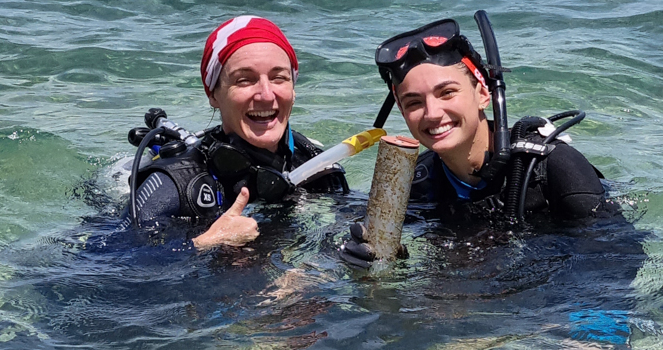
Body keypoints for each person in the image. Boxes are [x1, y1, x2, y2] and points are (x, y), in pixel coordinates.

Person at [342, 17, 613, 267]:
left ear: (483, 93)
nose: (432, 113)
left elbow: (614, 263)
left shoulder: (553, 168)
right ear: (402, 113)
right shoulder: (416, 185)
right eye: (414, 102)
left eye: (447, 93)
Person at [123, 16, 348, 249]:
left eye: (279, 78)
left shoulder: (314, 165)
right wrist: (206, 242)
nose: (266, 95)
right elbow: (109, 265)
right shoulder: (175, 184)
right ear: (213, 94)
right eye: (244, 80)